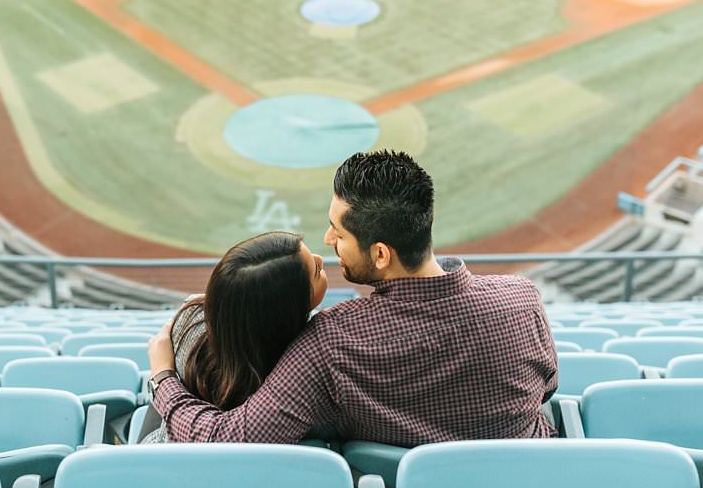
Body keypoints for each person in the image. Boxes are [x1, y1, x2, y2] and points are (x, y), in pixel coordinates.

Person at [148, 150, 559, 444]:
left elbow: (228, 439)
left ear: (381, 254)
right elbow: (546, 388)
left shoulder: (328, 344)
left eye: (338, 233)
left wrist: (164, 378)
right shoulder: (522, 299)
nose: (328, 241)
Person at [135, 231, 327, 443]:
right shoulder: (306, 358)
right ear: (287, 311)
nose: (321, 259)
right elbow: (221, 441)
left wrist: (162, 377)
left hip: (159, 452)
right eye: (316, 271)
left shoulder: (190, 319)